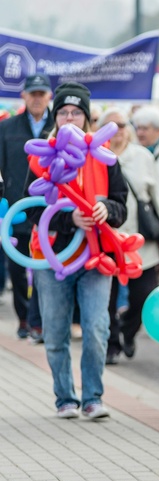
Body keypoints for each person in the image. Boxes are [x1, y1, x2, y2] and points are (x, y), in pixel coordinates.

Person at [25, 82, 128, 420]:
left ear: (87, 118)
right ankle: (64, 398)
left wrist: (106, 212)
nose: (70, 118)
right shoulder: (42, 155)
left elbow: (121, 204)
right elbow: (31, 208)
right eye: (64, 112)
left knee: (97, 329)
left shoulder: (105, 153)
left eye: (76, 112)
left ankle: (93, 397)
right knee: (55, 332)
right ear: (55, 117)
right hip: (52, 258)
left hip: (97, 258)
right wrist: (70, 219)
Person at [98, 108, 159, 365]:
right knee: (106, 297)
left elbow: (157, 197)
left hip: (140, 239)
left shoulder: (141, 156)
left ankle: (127, 331)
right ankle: (111, 345)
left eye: (121, 125)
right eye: (110, 126)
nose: (117, 131)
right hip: (106, 238)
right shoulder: (95, 156)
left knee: (143, 294)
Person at [0, 73, 53, 342]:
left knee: (46, 267)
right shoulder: (7, 128)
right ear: (24, 96)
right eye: (32, 93)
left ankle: (40, 320)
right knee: (17, 268)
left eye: (41, 94)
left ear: (48, 97)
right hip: (16, 209)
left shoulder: (60, 125)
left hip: (49, 210)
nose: (36, 98)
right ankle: (24, 318)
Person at [132, 106, 159, 180]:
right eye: (138, 128)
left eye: (144, 128)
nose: (139, 133)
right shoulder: (130, 152)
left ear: (158, 130)